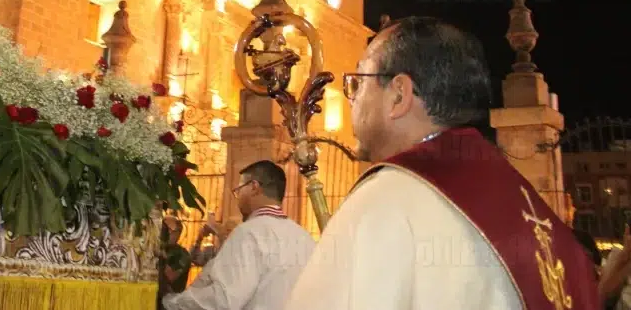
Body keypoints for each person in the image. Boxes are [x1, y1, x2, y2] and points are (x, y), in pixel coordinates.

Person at [284, 16, 599, 310]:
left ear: (398, 96)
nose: (351, 97)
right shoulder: (528, 205)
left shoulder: (387, 199)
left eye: (359, 81)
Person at [162, 160, 314, 310]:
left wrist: (172, 303)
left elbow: (224, 299)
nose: (238, 198)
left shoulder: (249, 232)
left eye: (238, 190)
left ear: (254, 187)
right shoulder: (304, 237)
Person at [157, 215, 193, 310]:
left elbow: (170, 276)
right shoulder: (154, 248)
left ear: (178, 233)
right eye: (164, 229)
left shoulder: (183, 254)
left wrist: (161, 256)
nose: (166, 233)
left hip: (169, 304)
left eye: (170, 230)